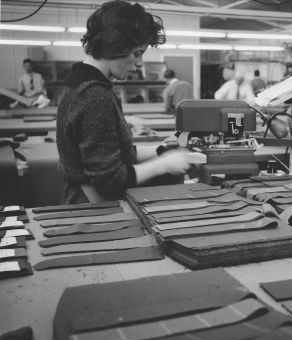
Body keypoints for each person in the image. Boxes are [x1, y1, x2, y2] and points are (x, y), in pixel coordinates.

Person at [56, 0, 203, 204]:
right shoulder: (95, 95)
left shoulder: (81, 82)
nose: (140, 64)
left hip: (86, 202)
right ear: (115, 45)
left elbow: (107, 155)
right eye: (137, 53)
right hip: (94, 210)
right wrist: (165, 164)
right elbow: (109, 179)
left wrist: (161, 149)